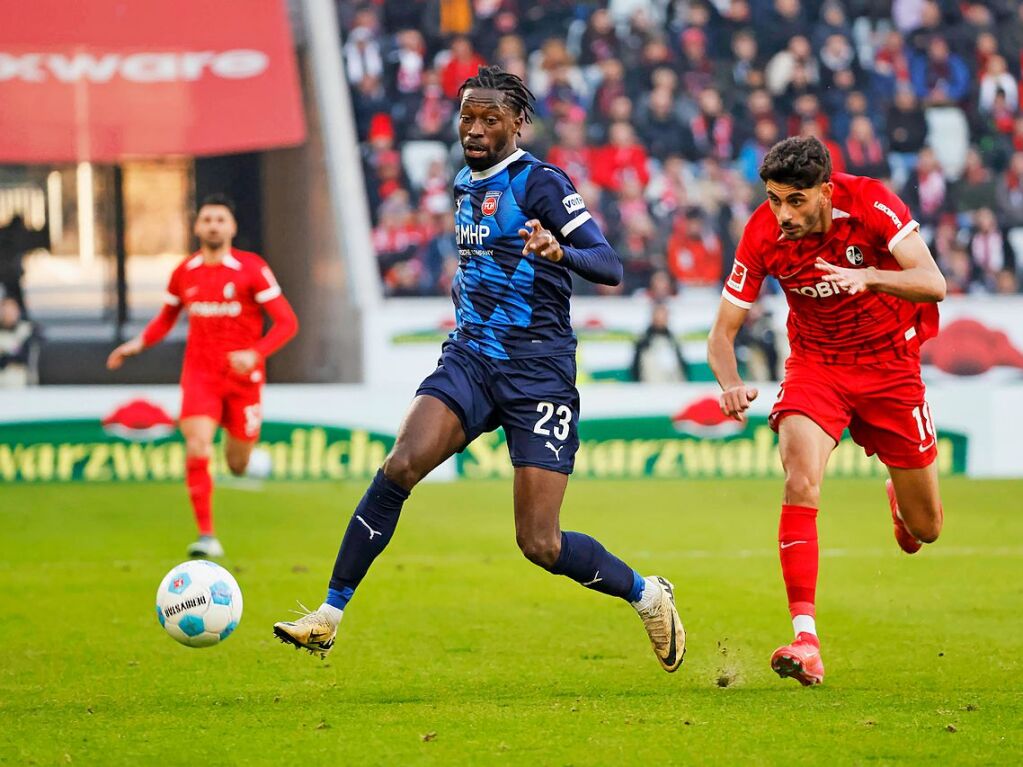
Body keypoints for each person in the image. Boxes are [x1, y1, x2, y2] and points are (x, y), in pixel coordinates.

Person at [273, 66, 686, 672]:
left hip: (538, 374)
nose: (474, 128)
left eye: (490, 118)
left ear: (518, 123)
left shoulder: (541, 182)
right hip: (470, 358)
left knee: (539, 543)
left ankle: (647, 595)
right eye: (467, 116)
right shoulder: (464, 181)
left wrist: (559, 251)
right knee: (400, 465)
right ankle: (329, 615)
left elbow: (609, 263)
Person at [707, 136, 946, 686]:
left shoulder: (872, 203)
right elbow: (723, 332)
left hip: (891, 368)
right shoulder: (762, 233)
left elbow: (934, 283)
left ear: (825, 192)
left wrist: (870, 276)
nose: (782, 214)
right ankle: (806, 638)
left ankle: (900, 502)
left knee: (927, 528)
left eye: (795, 201)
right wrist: (730, 383)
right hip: (818, 368)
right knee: (800, 481)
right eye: (773, 199)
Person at [106, 195, 298, 558]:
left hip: (244, 379)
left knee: (237, 465)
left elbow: (288, 322)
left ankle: (247, 459)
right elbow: (166, 317)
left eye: (220, 220)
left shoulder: (252, 269)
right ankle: (207, 535)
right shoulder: (184, 272)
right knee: (197, 445)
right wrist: (139, 344)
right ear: (196, 227)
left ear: (232, 227)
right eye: (207, 219)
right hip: (201, 375)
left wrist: (255, 353)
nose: (213, 225)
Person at [631, 303, 688, 383]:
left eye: (664, 316)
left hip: (673, 386)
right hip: (649, 387)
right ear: (652, 317)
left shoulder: (673, 341)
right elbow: (636, 368)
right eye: (658, 316)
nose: (661, 319)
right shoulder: (643, 341)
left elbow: (681, 367)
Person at [0, 296, 37, 387]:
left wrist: (5, 356)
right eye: (5, 310)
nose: (8, 313)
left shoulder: (27, 330)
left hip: (21, 387)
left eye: (12, 310)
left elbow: (24, 357)